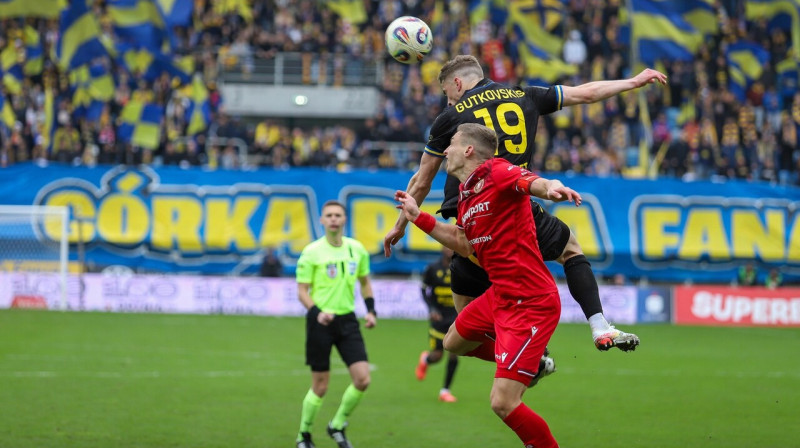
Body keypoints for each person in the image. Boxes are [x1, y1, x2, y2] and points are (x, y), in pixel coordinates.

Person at [385, 54, 665, 351]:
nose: (448, 101)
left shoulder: (451, 118)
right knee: (570, 250)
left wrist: (400, 225)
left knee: (463, 320)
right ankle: (598, 326)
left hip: (474, 218)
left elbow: (422, 180)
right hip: (517, 208)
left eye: (446, 93)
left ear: (457, 82)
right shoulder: (523, 94)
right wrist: (633, 82)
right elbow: (585, 93)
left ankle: (521, 356)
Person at [395, 123, 583, 447]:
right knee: (452, 342)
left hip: (532, 301)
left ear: (468, 150)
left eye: (451, 143)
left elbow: (528, 181)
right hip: (500, 295)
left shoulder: (496, 172)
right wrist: (417, 216)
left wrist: (550, 186)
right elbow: (462, 242)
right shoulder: (467, 197)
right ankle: (531, 363)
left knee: (502, 402)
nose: (446, 150)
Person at [294, 200, 378, 448]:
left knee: (363, 379)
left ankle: (337, 425)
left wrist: (371, 310)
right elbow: (302, 291)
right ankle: (304, 435)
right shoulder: (311, 252)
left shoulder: (357, 249)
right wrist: (317, 312)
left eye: (338, 215)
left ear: (344, 220)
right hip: (320, 322)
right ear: (322, 220)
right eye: (328, 215)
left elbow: (365, 282)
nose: (333, 219)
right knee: (320, 386)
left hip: (348, 321)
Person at [415, 246, 460, 402]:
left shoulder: (462, 268)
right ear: (442, 248)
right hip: (438, 319)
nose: (449, 249)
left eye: (451, 246)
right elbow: (423, 290)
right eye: (446, 246)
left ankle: (445, 391)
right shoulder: (432, 269)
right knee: (437, 356)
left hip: (456, 318)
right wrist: (431, 308)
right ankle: (426, 360)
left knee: (454, 353)